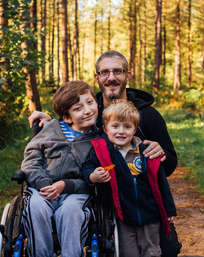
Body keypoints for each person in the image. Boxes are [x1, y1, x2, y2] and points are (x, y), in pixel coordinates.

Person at [29, 50, 177, 177]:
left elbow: (170, 166)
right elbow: (73, 128)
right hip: (90, 196)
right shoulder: (90, 113)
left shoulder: (148, 115)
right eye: (104, 72)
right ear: (97, 77)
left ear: (128, 76)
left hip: (133, 197)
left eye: (118, 71)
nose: (111, 78)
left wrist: (161, 153)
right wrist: (51, 122)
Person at [82, 100, 177, 257]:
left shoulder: (146, 152)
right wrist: (94, 176)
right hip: (123, 216)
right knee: (127, 252)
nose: (121, 131)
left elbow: (161, 181)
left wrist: (169, 209)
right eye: (115, 126)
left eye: (127, 126)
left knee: (152, 251)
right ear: (105, 129)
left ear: (134, 130)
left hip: (150, 214)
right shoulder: (103, 152)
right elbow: (87, 168)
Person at [20, 80, 99, 257]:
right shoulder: (50, 129)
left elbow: (90, 180)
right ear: (67, 118)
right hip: (42, 188)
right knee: (35, 206)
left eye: (90, 102)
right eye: (78, 108)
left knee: (71, 211)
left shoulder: (98, 140)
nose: (87, 110)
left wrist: (65, 185)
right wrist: (43, 183)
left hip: (75, 193)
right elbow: (31, 159)